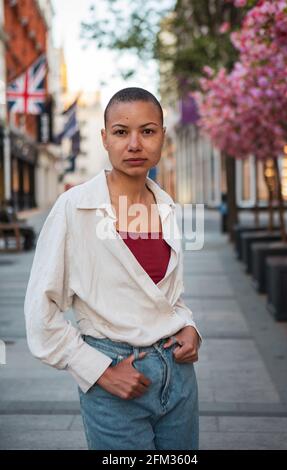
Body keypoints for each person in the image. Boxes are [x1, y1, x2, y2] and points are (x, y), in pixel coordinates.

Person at [24, 87, 202, 450]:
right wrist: (99, 371)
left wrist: (190, 326)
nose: (135, 144)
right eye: (121, 132)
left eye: (147, 131)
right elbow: (40, 313)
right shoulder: (75, 208)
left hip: (180, 378)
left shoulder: (166, 206)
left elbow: (168, 297)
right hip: (116, 379)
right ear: (104, 139)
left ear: (163, 137)